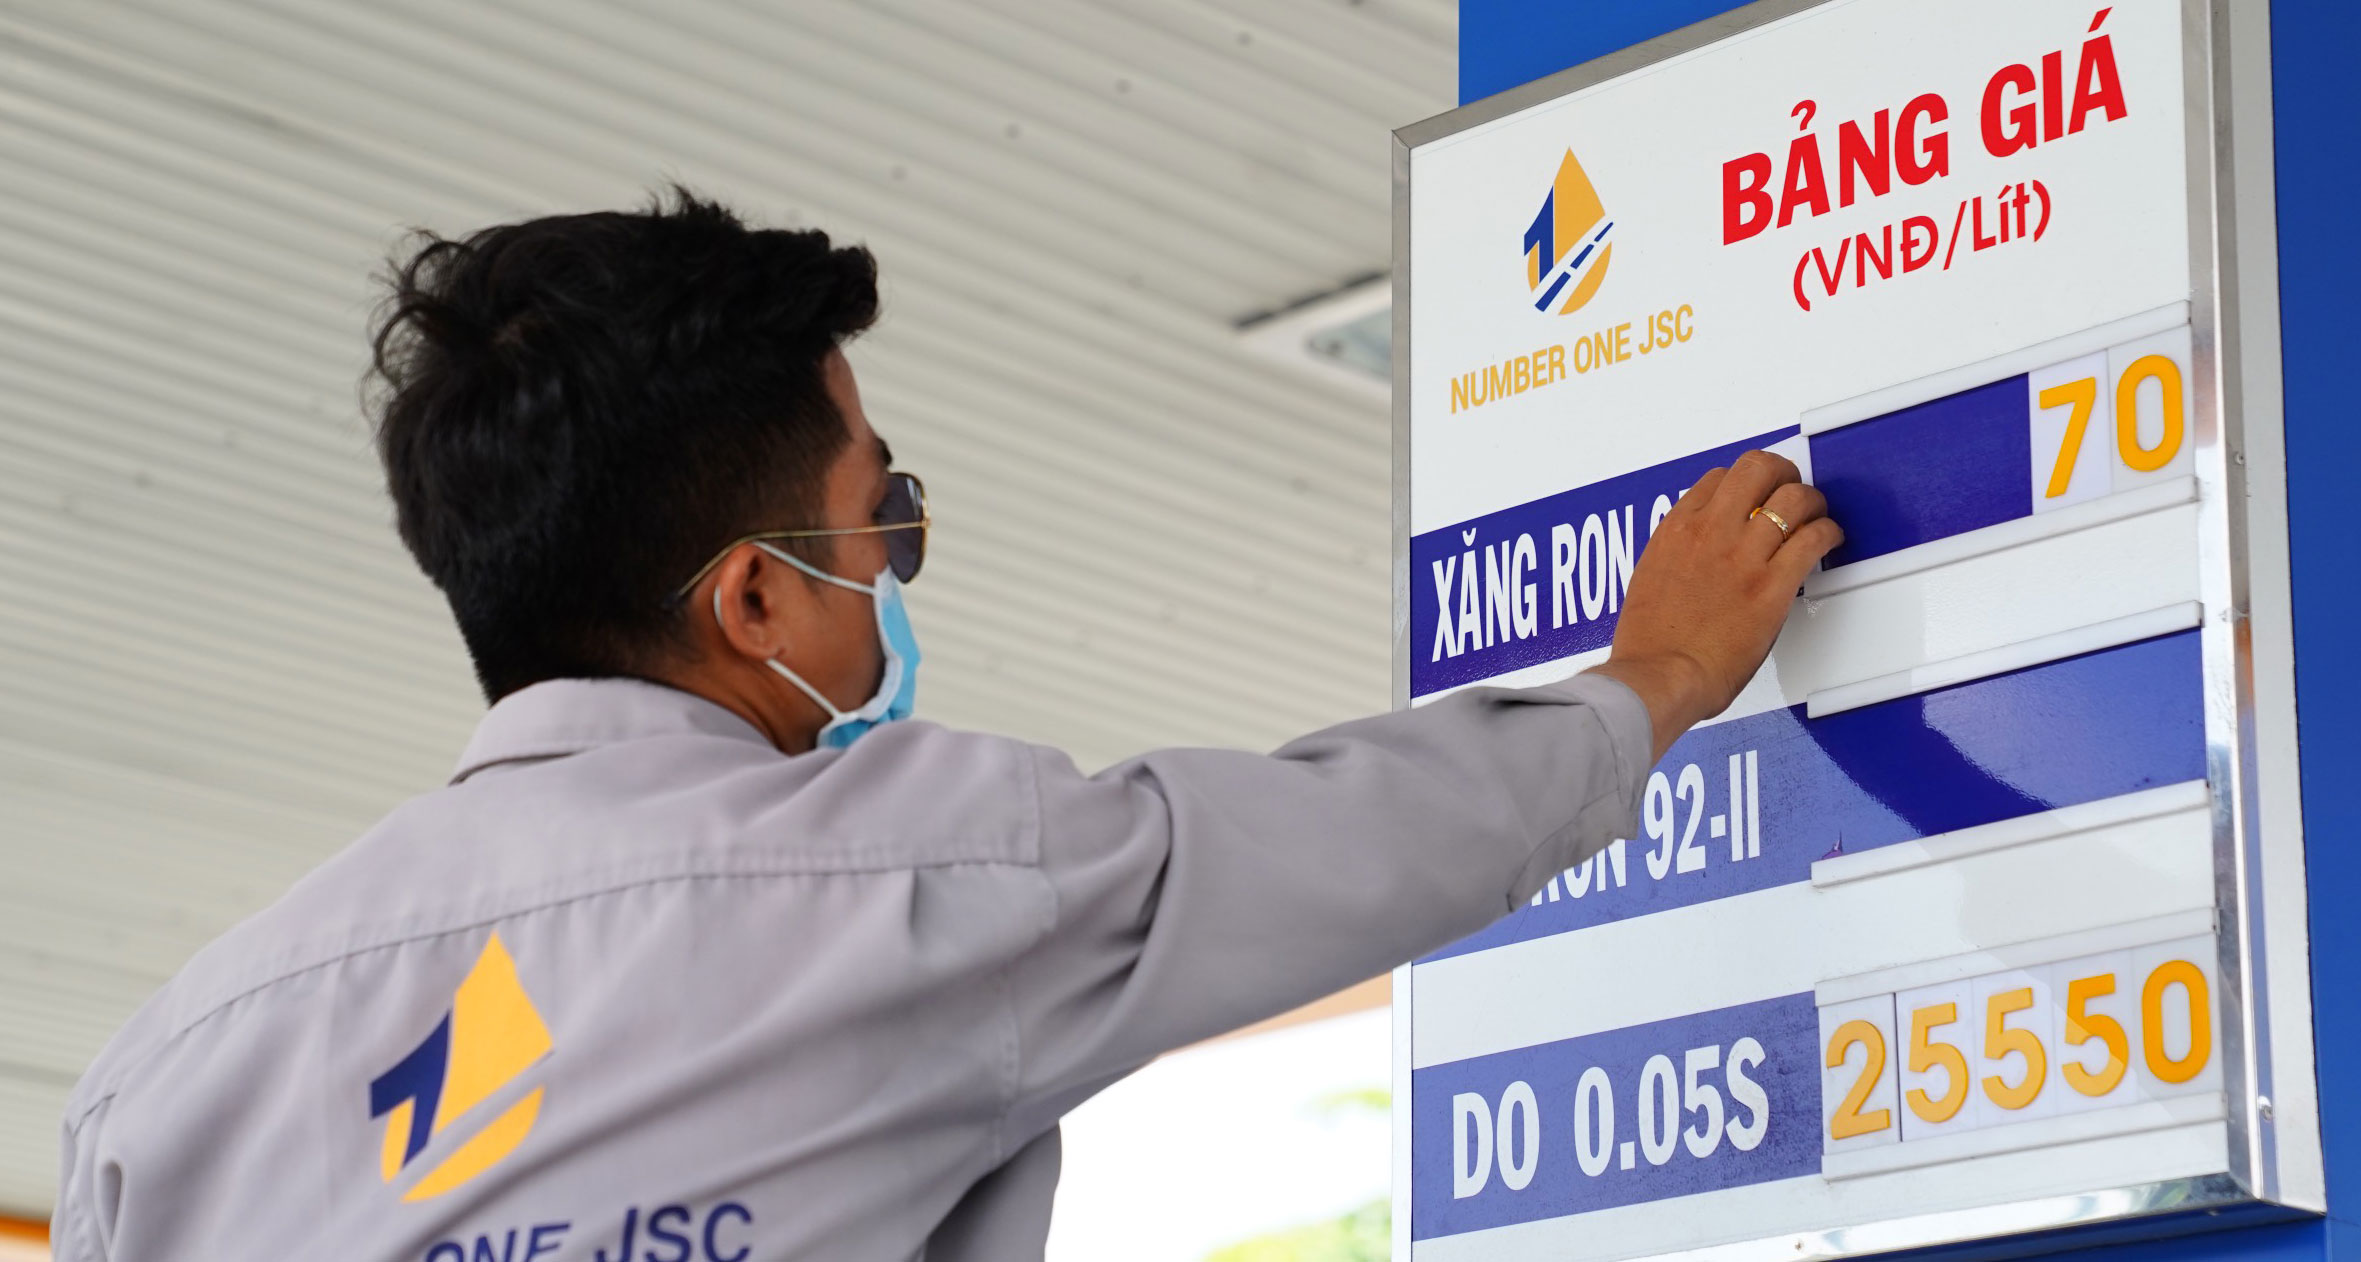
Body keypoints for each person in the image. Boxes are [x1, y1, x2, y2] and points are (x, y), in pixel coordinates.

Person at [52, 192, 1839, 1261]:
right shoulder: (901, 876)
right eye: (878, 516)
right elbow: (1348, 841)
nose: (894, 564)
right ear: (754, 604)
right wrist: (1656, 679)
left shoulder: (171, 1074)